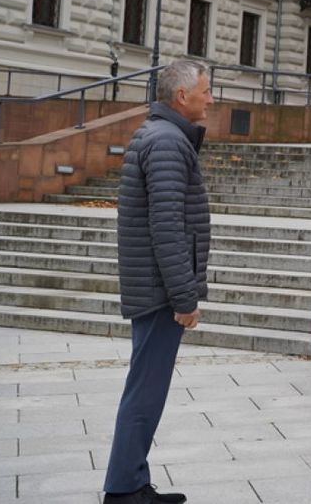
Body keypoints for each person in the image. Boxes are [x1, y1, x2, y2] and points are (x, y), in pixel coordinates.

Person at [103, 60, 214, 503]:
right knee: (146, 391)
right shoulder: (166, 141)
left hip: (153, 285)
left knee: (145, 388)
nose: (211, 99)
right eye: (205, 91)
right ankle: (124, 491)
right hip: (159, 291)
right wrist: (184, 297)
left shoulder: (161, 135)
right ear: (182, 96)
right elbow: (167, 227)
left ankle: (129, 482)